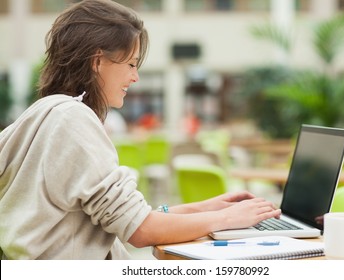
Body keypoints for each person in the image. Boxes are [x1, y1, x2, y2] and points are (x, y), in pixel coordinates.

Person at [0, 0, 281, 260]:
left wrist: (203, 208)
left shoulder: (43, 113)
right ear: (97, 61)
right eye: (131, 64)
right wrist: (228, 220)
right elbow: (141, 232)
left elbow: (124, 219)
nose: (135, 77)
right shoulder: (72, 119)